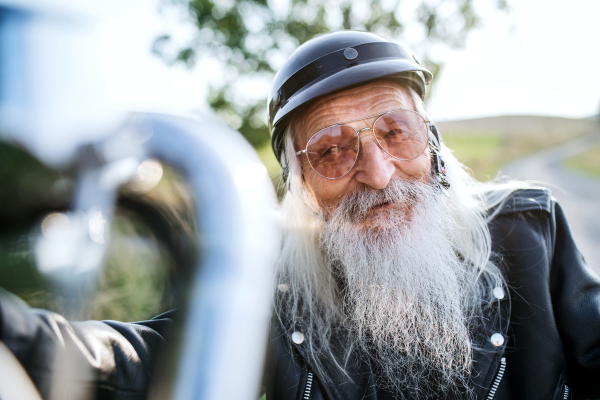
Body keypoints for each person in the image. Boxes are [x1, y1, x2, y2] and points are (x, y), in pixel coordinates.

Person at [1, 31, 599, 400]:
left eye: (396, 133)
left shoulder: (526, 231)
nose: (379, 173)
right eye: (333, 151)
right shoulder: (277, 284)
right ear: (300, 186)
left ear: (435, 147)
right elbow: (131, 359)